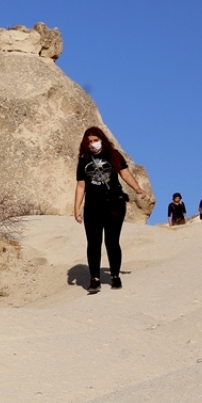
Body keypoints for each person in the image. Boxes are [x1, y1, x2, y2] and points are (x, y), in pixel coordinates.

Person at [73, 126, 147, 294]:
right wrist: (76, 206)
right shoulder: (84, 159)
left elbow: (125, 173)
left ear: (102, 139)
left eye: (95, 140)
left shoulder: (114, 155)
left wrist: (137, 188)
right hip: (92, 206)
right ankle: (95, 279)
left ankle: (115, 276)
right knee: (94, 242)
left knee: (112, 241)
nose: (93, 144)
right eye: (90, 141)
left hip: (114, 204)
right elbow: (81, 185)